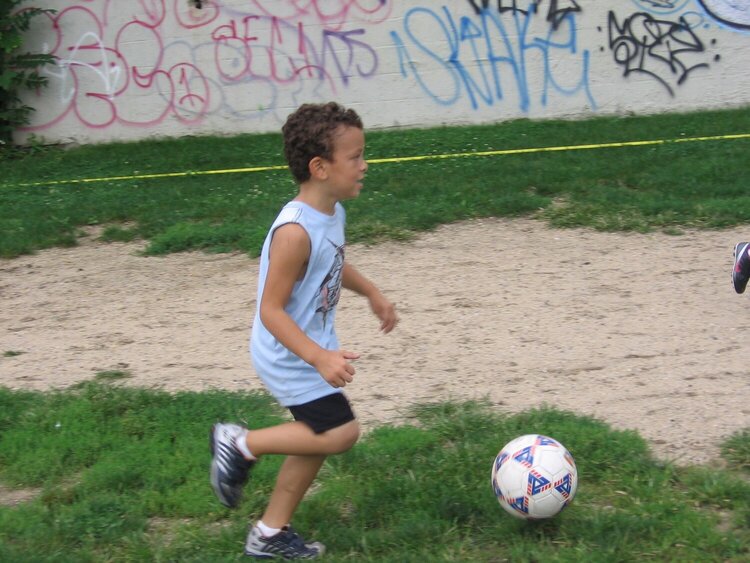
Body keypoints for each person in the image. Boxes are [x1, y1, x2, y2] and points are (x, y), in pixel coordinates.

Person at [209, 102, 398, 559]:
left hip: (309, 347)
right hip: (287, 352)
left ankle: (270, 533)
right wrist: (318, 356)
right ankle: (239, 443)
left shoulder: (329, 212)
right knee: (341, 433)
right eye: (354, 157)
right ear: (320, 167)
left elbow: (331, 261)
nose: (364, 165)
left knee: (316, 437)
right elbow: (270, 310)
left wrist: (370, 291)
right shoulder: (293, 232)